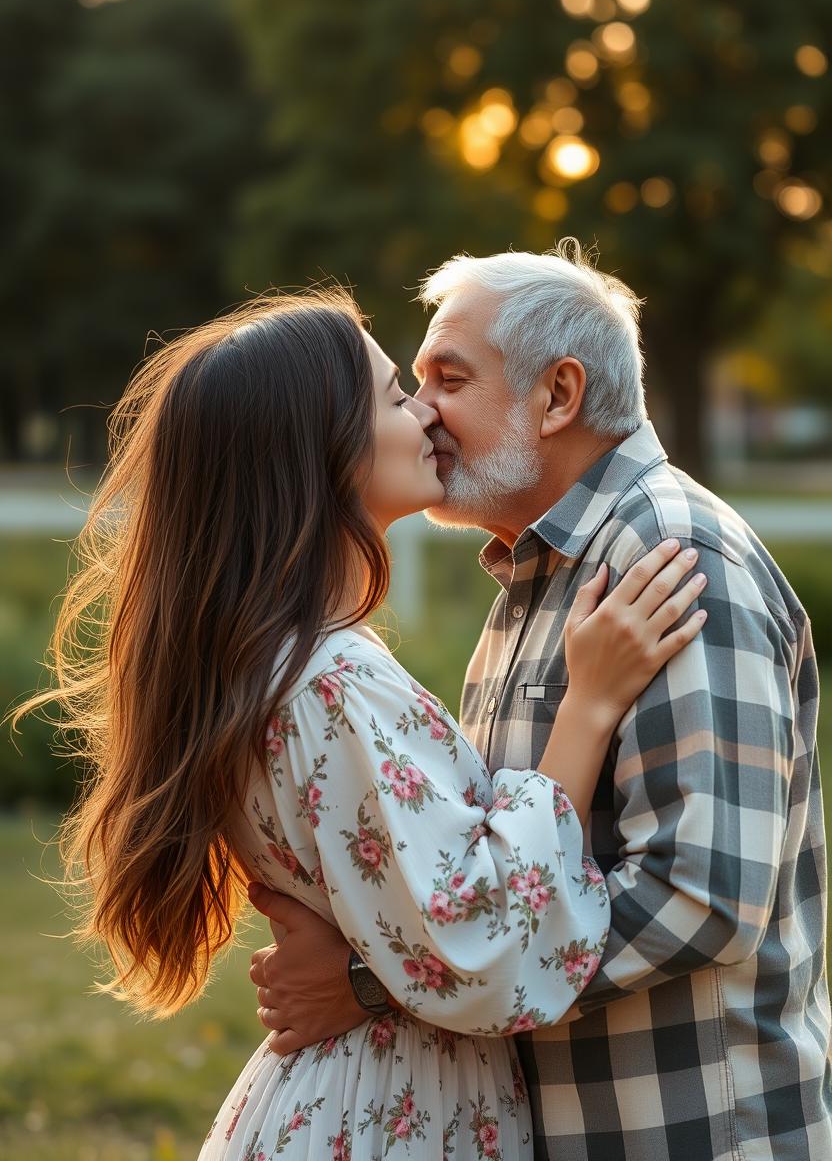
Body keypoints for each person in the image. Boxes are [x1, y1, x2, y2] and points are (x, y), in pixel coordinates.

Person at [15, 286, 707, 1161]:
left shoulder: (284, 663)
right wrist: (590, 705)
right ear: (320, 453)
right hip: (388, 1116)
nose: (424, 412)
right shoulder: (330, 680)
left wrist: (360, 980)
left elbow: (416, 917)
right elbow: (484, 939)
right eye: (393, 395)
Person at [249, 245, 832, 1161]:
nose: (424, 409)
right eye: (415, 381)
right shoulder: (538, 576)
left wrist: (372, 985)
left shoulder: (670, 561)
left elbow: (701, 894)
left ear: (558, 396)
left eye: (450, 376)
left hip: (682, 1133)